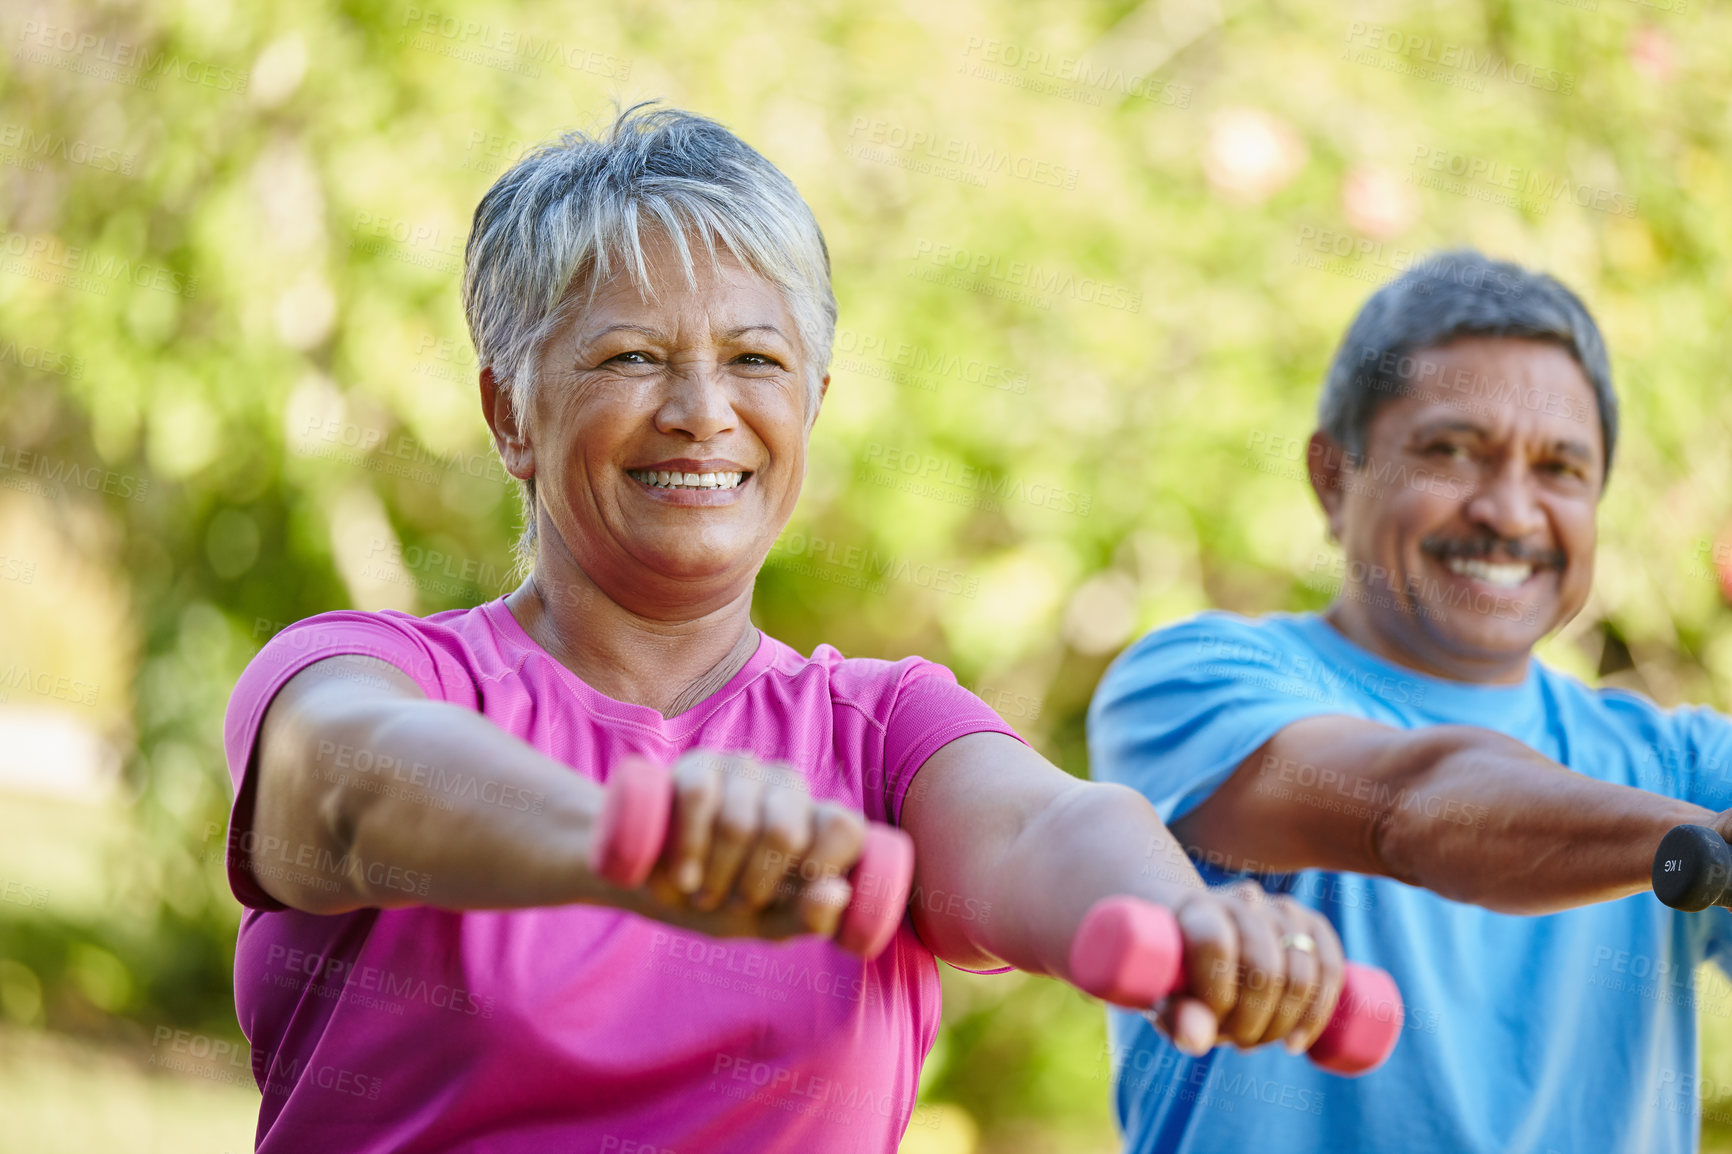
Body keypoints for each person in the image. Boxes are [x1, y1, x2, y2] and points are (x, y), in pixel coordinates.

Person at [220, 103, 1345, 1154]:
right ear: (509, 410)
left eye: (754, 359)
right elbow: (356, 787)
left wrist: (1186, 922)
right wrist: (632, 840)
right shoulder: (375, 674)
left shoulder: (881, 729)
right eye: (630, 357)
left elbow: (1040, 832)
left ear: (807, 401)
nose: (702, 409)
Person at [1089, 249, 1732, 1153]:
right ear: (1332, 476)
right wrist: (1701, 847)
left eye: (1559, 469)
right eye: (1452, 451)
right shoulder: (1194, 679)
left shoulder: (1684, 763)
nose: (1510, 513)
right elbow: (1413, 808)